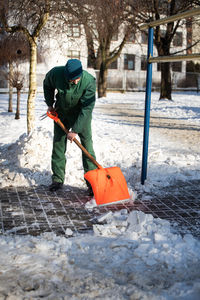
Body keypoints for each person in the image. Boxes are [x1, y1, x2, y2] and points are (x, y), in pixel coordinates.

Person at [43, 59, 97, 194]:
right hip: (61, 114)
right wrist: (50, 103)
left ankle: (92, 183)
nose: (75, 82)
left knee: (87, 147)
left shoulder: (89, 81)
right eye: (72, 79)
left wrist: (75, 130)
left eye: (77, 78)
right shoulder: (56, 73)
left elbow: (87, 108)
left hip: (81, 116)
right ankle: (57, 180)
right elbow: (47, 84)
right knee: (58, 145)